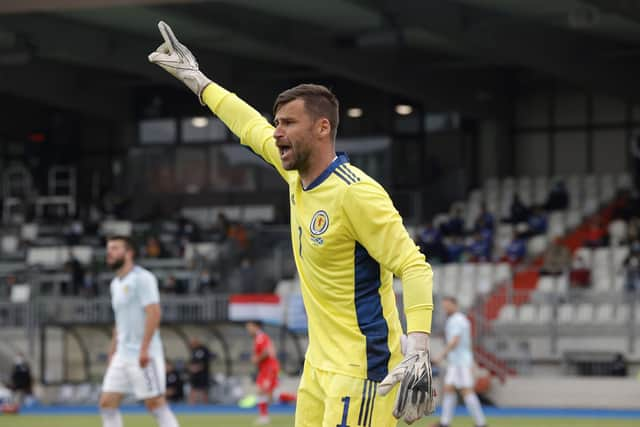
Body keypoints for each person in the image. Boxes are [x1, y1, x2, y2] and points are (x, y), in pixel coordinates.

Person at [149, 21, 435, 426]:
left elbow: (414, 265)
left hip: (362, 372)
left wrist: (419, 347)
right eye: (277, 122)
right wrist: (198, 81)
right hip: (317, 368)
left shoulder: (356, 193)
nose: (277, 131)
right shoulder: (296, 175)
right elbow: (248, 125)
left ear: (322, 128)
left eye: (287, 123)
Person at [99, 235, 180, 427]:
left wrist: (144, 349)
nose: (110, 253)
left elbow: (154, 313)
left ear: (129, 253)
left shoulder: (142, 278)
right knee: (107, 402)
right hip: (122, 354)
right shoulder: (115, 284)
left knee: (154, 403)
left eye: (115, 248)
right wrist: (113, 351)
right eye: (109, 249)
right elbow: (119, 321)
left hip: (144, 354)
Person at [432, 297, 487, 427]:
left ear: (454, 305)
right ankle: (445, 422)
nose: (445, 308)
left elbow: (455, 341)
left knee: (466, 390)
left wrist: (440, 355)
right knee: (449, 389)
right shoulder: (460, 320)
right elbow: (467, 342)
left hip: (460, 362)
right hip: (458, 361)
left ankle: (481, 423)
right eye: (444, 306)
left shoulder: (456, 320)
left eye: (447, 305)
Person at [246, 321, 280, 425]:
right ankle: (264, 416)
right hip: (265, 368)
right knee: (263, 391)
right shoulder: (259, 337)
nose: (248, 330)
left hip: (269, 368)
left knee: (263, 391)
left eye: (249, 327)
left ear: (256, 327)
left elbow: (267, 351)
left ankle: (264, 416)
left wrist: (257, 358)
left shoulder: (261, 337)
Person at [187, 338, 211, 404]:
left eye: (193, 343)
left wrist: (196, 368)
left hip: (202, 374)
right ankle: (191, 404)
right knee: (193, 389)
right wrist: (190, 367)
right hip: (194, 374)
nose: (192, 345)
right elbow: (192, 361)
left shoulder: (203, 350)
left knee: (203, 390)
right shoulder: (194, 350)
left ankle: (205, 405)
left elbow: (204, 362)